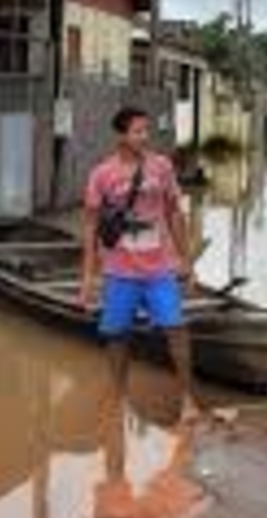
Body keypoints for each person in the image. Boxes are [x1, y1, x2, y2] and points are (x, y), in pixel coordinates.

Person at [81, 106, 200, 423]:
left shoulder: (161, 167)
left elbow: (175, 213)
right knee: (117, 336)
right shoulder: (102, 174)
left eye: (146, 130)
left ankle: (187, 397)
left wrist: (186, 260)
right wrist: (88, 278)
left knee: (176, 328)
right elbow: (91, 226)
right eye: (137, 131)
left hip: (160, 268)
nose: (144, 137)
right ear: (121, 135)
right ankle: (119, 396)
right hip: (119, 271)